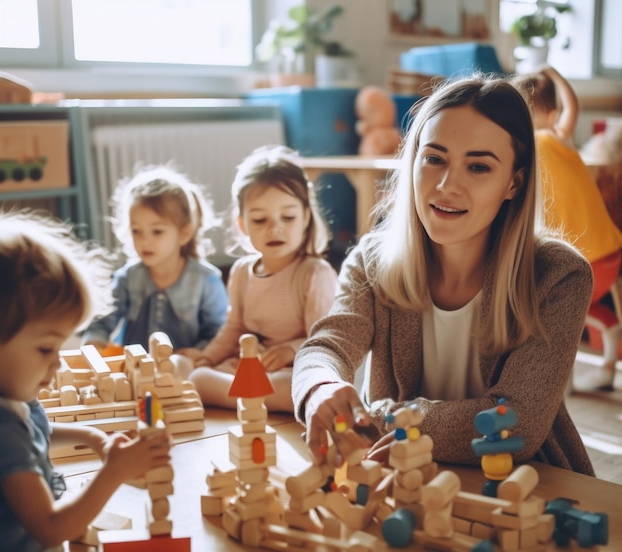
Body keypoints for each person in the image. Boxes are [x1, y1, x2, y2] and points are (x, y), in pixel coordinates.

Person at [292, 74, 595, 476]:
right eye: (434, 159)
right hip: (402, 484)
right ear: (413, 161)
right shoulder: (372, 259)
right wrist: (321, 388)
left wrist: (379, 416)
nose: (448, 185)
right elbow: (326, 347)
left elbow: (514, 423)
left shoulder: (560, 275)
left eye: (478, 167)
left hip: (523, 490)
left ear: (514, 183)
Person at [0, 210, 171, 552]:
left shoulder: (12, 398)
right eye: (45, 349)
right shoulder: (1, 432)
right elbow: (53, 528)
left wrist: (90, 435)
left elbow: (38, 430)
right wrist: (114, 472)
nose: (57, 364)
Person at [189, 145, 338, 413]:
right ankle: (250, 398)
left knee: (295, 387)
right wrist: (208, 358)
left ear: (305, 217)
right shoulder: (242, 271)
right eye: (259, 219)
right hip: (251, 366)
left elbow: (324, 340)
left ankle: (247, 399)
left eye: (288, 217)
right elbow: (233, 330)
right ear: (242, 224)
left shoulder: (314, 273)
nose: (275, 228)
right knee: (198, 378)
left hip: (297, 371)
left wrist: (290, 350)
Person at [512, 66, 622, 390]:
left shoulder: (538, 141)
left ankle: (560, 382)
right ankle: (609, 350)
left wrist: (554, 75)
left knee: (543, 302)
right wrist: (556, 76)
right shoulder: (558, 138)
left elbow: (571, 108)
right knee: (588, 304)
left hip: (581, 263)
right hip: (610, 254)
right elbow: (573, 107)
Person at [81, 165, 228, 379]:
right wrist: (91, 348)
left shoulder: (206, 279)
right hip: (133, 371)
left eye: (157, 231)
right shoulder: (128, 277)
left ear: (185, 232)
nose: (144, 240)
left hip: (182, 372)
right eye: (136, 231)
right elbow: (103, 322)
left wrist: (201, 352)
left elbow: (220, 332)